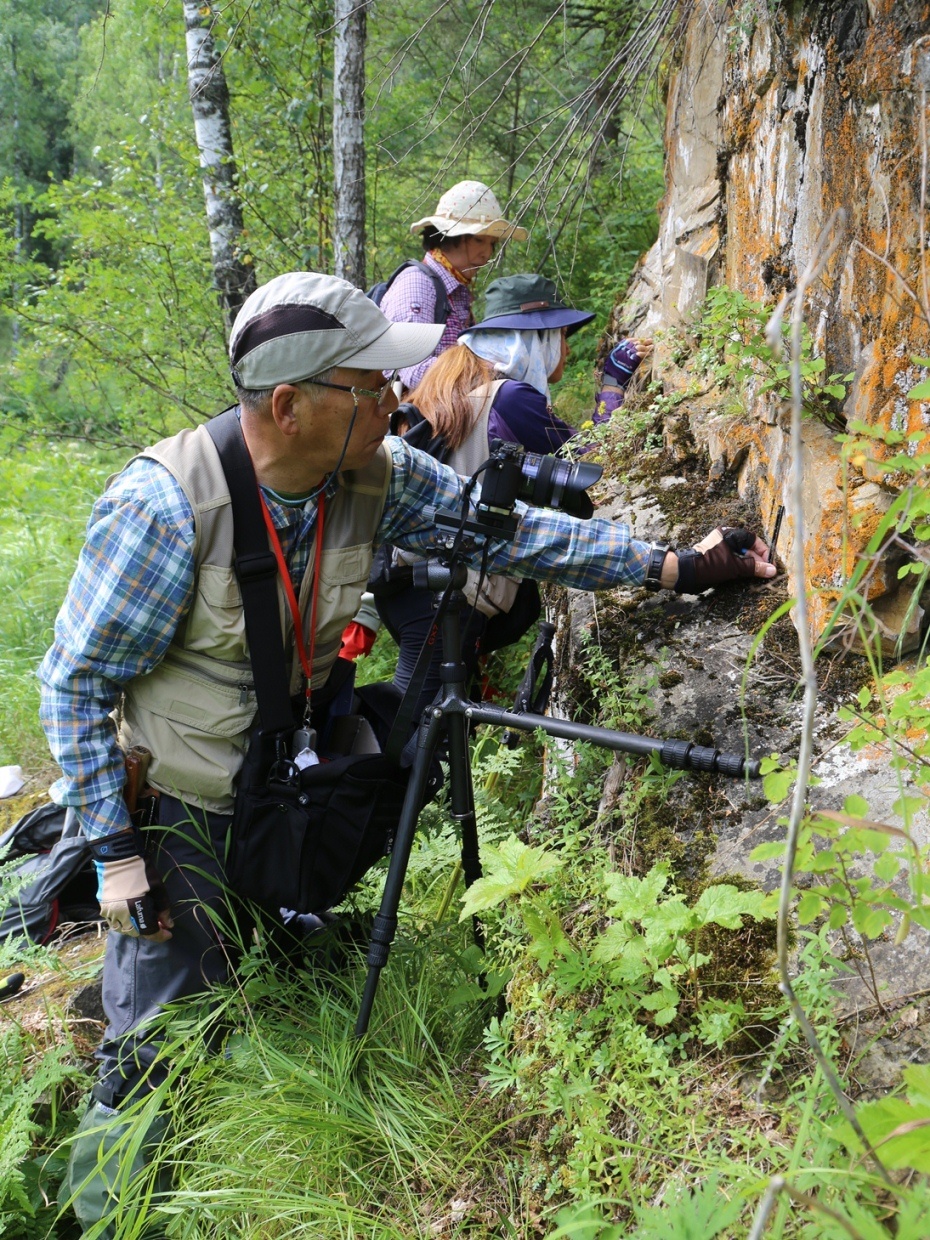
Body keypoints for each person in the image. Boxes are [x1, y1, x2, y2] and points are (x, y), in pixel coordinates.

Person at [39, 271, 774, 1234]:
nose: (400, 397)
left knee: (284, 907)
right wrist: (118, 857)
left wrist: (675, 566)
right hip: (181, 808)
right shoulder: (166, 508)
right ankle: (101, 1210)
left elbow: (506, 534)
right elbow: (76, 685)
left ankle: (258, 952)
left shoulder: (371, 469)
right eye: (373, 384)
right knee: (157, 1046)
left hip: (282, 774)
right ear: (291, 405)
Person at [374, 272, 651, 709]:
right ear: (534, 340)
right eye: (561, 335)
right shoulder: (509, 399)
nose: (568, 348)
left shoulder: (456, 386)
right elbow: (590, 462)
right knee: (418, 739)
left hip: (415, 588)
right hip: (449, 599)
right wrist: (613, 387)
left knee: (431, 726)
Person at [378, 180, 527, 392]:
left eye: (492, 244)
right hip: (419, 420)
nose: (487, 253)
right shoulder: (417, 285)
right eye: (478, 240)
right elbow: (411, 367)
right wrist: (483, 377)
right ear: (450, 236)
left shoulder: (456, 292)